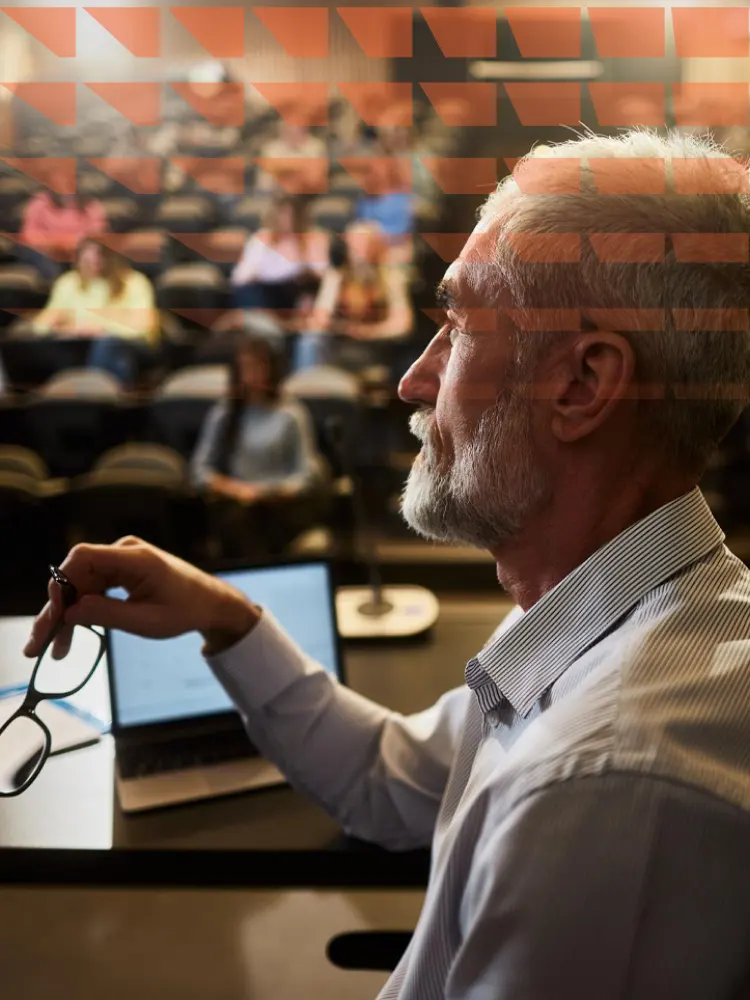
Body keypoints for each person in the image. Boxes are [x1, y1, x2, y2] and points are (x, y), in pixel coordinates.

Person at [25, 128, 750, 998]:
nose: (414, 379)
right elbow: (387, 781)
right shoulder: (601, 610)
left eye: (457, 325)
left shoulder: (603, 788)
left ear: (583, 385)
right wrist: (222, 615)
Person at [191, 334, 326, 557]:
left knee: (246, 522)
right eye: (246, 367)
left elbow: (305, 475)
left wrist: (268, 492)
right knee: (230, 518)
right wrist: (235, 489)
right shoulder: (224, 414)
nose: (253, 374)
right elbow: (199, 470)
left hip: (278, 505)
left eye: (259, 367)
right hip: (235, 499)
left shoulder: (291, 413)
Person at [31, 238, 159, 385]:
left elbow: (141, 330)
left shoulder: (134, 283)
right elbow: (40, 326)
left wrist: (102, 329)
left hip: (128, 344)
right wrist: (61, 327)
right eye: (87, 261)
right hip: (82, 343)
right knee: (59, 345)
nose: (93, 266)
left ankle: (98, 392)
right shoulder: (67, 283)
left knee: (106, 344)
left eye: (98, 261)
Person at [293, 220, 412, 372]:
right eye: (355, 244)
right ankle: (305, 386)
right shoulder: (337, 277)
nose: (359, 250)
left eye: (365, 244)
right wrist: (334, 324)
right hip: (341, 340)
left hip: (374, 344)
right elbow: (321, 317)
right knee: (310, 341)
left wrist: (368, 332)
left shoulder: (391, 278)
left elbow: (402, 325)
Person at [230, 195, 328, 321]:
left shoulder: (313, 238)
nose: (286, 220)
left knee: (309, 288)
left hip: (297, 288)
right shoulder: (261, 238)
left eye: (290, 215)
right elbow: (240, 277)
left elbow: (322, 273)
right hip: (266, 289)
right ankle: (266, 326)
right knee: (246, 291)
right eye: (282, 214)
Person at [19, 178, 106, 281]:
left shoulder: (89, 204)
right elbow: (29, 235)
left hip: (79, 251)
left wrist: (72, 243)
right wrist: (56, 243)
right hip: (46, 252)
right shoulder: (39, 202)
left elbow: (96, 233)